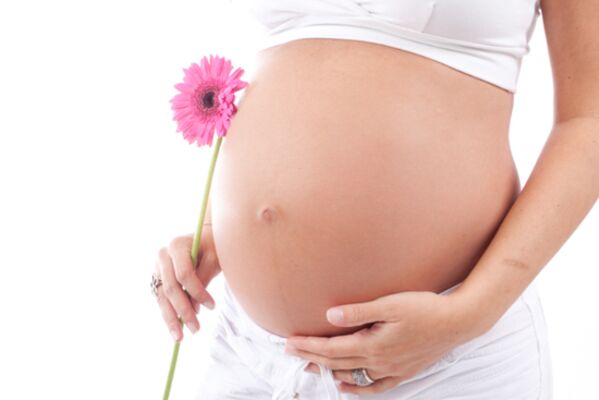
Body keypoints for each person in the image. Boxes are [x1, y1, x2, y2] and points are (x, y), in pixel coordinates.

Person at [151, 0, 598, 398]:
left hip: (440, 364)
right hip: (251, 353)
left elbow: (588, 121)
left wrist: (470, 314)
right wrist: (218, 231)